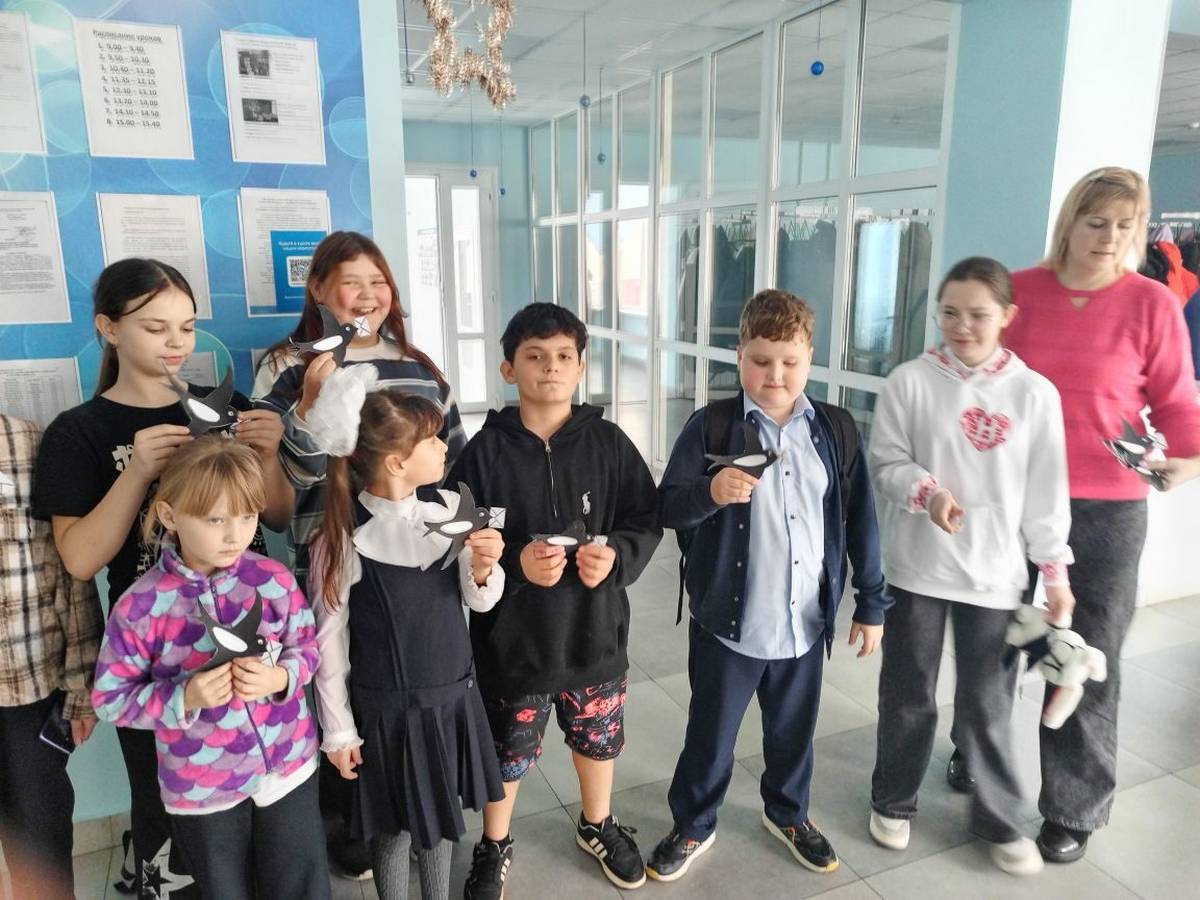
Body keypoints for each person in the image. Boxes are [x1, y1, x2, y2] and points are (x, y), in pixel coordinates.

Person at [32, 258, 291, 898]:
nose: (176, 342)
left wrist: (267, 452)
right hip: (162, 655)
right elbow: (79, 559)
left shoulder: (225, 408)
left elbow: (278, 516)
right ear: (108, 329)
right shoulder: (80, 431)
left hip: (251, 633)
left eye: (186, 326)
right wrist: (137, 471)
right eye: (155, 327)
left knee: (263, 790)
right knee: (167, 805)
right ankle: (157, 873)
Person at [646, 289, 889, 883]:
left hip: (805, 624)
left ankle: (788, 813)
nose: (775, 375)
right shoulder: (712, 426)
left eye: (789, 361)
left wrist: (872, 602)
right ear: (739, 357)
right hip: (729, 624)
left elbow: (860, 517)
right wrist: (710, 492)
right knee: (711, 734)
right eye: (760, 360)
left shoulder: (833, 430)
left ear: (810, 358)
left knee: (793, 733)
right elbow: (666, 505)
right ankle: (694, 823)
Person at [253, 230, 466, 880]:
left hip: (414, 560)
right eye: (353, 282)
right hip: (332, 551)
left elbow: (452, 464)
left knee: (406, 678)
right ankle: (360, 819)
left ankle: (417, 816)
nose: (369, 295)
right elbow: (275, 497)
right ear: (319, 289)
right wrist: (307, 407)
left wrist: (462, 540)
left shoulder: (420, 367)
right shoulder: (285, 366)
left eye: (380, 282)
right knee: (341, 672)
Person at [1004, 167, 1200, 864]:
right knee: (993, 634)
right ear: (1069, 224)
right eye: (1096, 222)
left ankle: (1073, 807)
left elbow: (1176, 398)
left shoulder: (1152, 303)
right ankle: (980, 751)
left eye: (1125, 225)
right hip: (1014, 497)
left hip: (1109, 506)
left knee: (1090, 657)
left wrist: (1189, 457)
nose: (1109, 237)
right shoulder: (1019, 292)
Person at [866, 257, 1076, 876]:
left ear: (1007, 316)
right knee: (908, 693)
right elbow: (885, 461)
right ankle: (893, 800)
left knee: (988, 702)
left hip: (996, 576)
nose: (962, 326)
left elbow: (1046, 493)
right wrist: (928, 493)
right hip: (917, 568)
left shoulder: (1035, 394)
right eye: (950, 313)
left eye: (978, 315)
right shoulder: (909, 382)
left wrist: (1055, 574)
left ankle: (999, 818)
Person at [448, 303, 662, 898]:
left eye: (565, 355)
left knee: (598, 739)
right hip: (513, 644)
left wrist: (617, 556)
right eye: (535, 356)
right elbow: (458, 532)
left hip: (594, 635)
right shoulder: (484, 453)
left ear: (581, 366)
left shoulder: (609, 443)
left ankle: (597, 823)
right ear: (508, 369)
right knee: (507, 750)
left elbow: (646, 517)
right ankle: (495, 842)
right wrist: (513, 561)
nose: (551, 367)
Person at [91, 437, 327, 900]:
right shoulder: (141, 607)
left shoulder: (273, 579)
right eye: (215, 519)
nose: (235, 534)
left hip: (289, 769)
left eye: (247, 515)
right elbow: (110, 699)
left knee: (301, 885)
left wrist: (282, 677)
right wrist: (185, 697)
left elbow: (307, 648)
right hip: (202, 789)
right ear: (169, 515)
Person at [305, 378, 506, 900]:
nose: (443, 446)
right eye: (431, 440)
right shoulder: (343, 537)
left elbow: (479, 601)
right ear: (396, 462)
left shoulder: (445, 513)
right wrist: (339, 731)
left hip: (450, 699)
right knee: (390, 827)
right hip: (387, 713)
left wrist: (483, 568)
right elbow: (328, 645)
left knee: (440, 821)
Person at [0, 414, 104, 900]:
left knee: (40, 841)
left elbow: (69, 573)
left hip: (26, 685)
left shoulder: (27, 442)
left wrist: (83, 686)